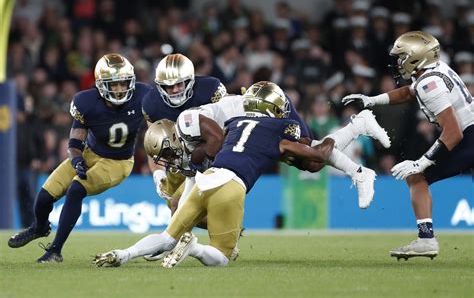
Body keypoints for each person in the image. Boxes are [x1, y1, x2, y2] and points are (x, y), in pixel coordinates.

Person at [93, 81, 390, 268]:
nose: (169, 159)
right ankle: (196, 247)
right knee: (221, 255)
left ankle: (124, 254)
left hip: (212, 176)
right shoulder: (267, 125)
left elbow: (215, 145)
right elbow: (317, 153)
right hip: (229, 183)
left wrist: (196, 168)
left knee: (169, 232)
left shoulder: (214, 120)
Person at [342, 31, 474, 260]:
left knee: (417, 177)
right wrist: (373, 100)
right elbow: (408, 92)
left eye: (401, 56)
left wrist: (421, 162)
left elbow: (453, 132)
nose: (397, 62)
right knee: (417, 176)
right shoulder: (434, 71)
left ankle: (426, 240)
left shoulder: (429, 83)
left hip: (468, 136)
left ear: (416, 57)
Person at [8, 54, 152, 263]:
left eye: (124, 83)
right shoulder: (86, 102)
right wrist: (76, 160)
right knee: (45, 196)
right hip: (89, 154)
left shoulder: (143, 95)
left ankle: (55, 251)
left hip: (118, 162)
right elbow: (75, 141)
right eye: (114, 84)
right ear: (101, 85)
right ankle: (39, 227)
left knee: (76, 189)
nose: (120, 89)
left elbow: (159, 123)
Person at [142, 53, 227, 215]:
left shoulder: (210, 89)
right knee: (175, 205)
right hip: (180, 161)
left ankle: (219, 230)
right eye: (169, 86)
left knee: (178, 205)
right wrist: (158, 173)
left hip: (213, 153)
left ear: (190, 81)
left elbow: (228, 126)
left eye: (179, 84)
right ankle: (224, 229)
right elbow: (154, 143)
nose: (174, 90)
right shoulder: (152, 103)